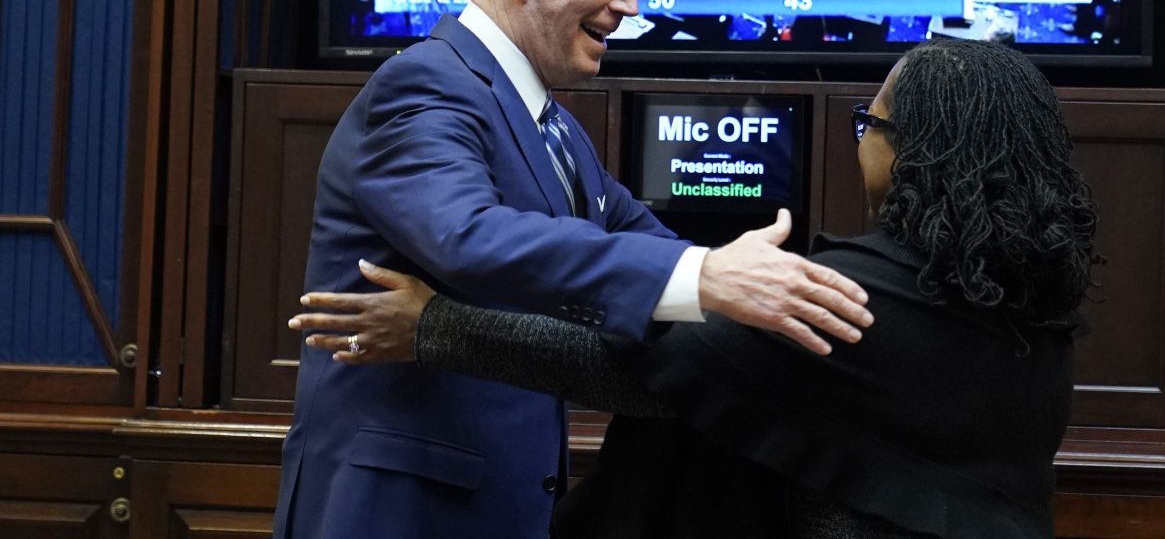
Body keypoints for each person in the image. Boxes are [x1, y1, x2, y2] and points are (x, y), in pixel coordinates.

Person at [275, 0, 875, 539]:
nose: (631, 0)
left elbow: (639, 243)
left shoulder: (550, 123)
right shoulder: (424, 85)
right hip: (400, 512)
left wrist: (761, 293)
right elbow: (467, 236)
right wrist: (705, 275)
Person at [292, 37, 1099, 539]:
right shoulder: (1031, 307)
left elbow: (643, 373)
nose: (864, 148)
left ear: (914, 152)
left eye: (870, 126)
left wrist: (434, 325)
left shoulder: (852, 302)